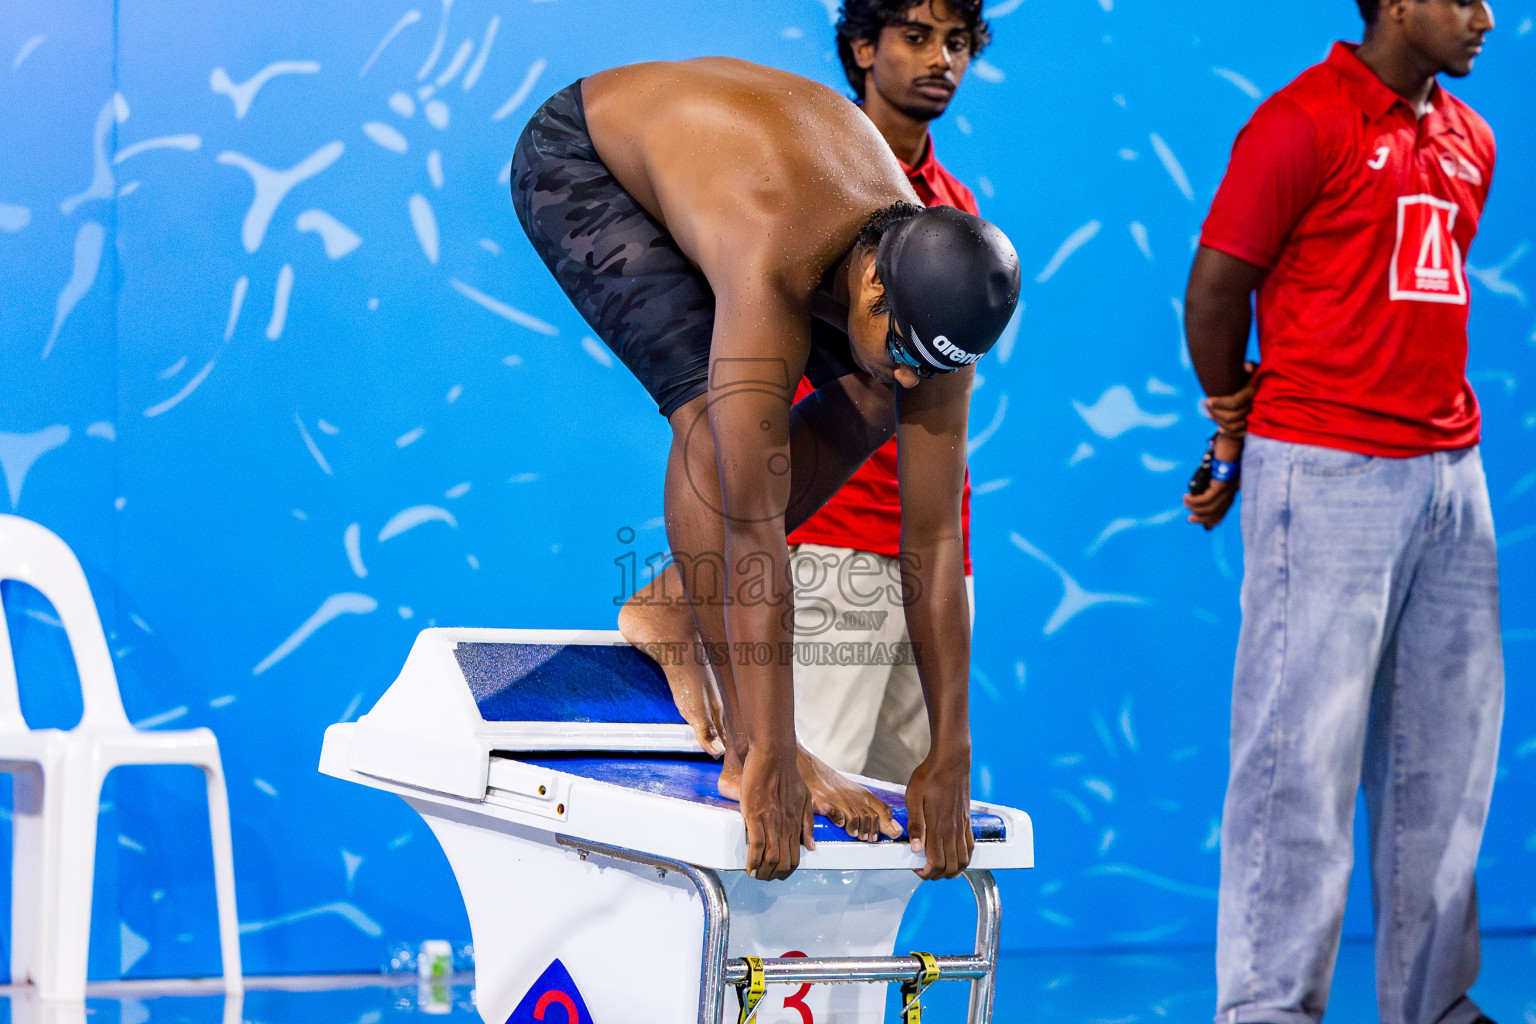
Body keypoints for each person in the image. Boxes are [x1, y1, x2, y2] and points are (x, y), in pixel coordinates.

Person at [510, 58, 1020, 881]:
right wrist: (772, 752)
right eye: (900, 352)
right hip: (588, 161)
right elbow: (751, 530)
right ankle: (715, 693)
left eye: (927, 366)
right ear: (872, 285)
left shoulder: (935, 323)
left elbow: (931, 535)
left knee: (867, 400)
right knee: (718, 430)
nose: (909, 377)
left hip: (765, 183)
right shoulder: (775, 256)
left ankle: (674, 604)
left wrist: (950, 749)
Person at [1182, 1, 1502, 1022]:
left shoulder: (1471, 136)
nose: (1488, 17)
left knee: (1446, 763)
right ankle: (1269, 1007)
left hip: (1453, 473)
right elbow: (1217, 286)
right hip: (1323, 468)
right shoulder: (1300, 123)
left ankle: (1434, 1004)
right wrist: (1231, 415)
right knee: (1297, 757)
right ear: (1398, 4)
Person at [785, 0, 991, 786]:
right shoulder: (818, 183)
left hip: (938, 545)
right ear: (865, 47)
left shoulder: (958, 208)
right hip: (832, 538)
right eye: (917, 37)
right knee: (809, 826)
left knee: (910, 826)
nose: (942, 59)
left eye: (959, 42)